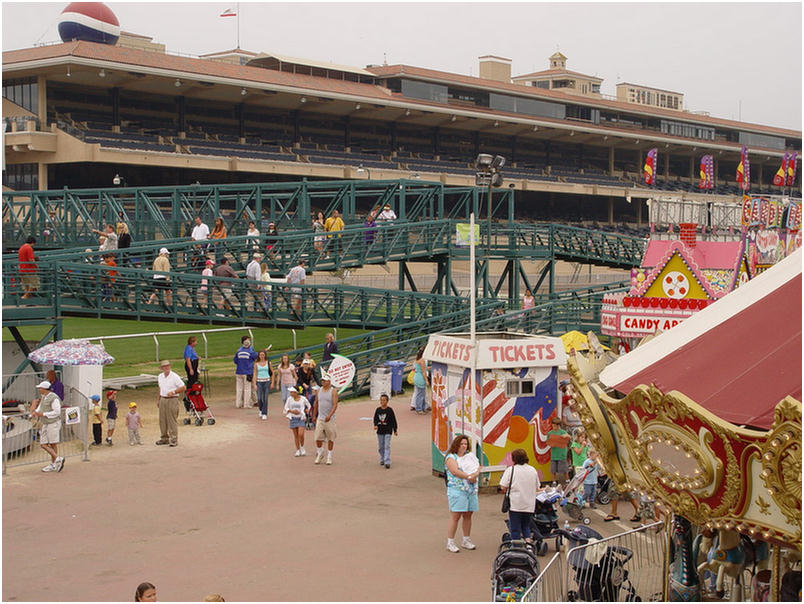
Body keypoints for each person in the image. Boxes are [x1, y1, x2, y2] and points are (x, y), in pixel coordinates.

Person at [444, 434, 479, 552]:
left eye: (466, 444)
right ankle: (450, 542)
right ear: (456, 445)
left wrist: (475, 474)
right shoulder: (451, 457)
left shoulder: (469, 456)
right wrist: (469, 476)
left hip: (470, 490)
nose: (464, 446)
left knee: (468, 515)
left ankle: (466, 540)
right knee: (456, 516)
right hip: (457, 490)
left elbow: (477, 467)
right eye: (462, 444)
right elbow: (454, 471)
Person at [500, 448, 542, 542]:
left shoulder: (511, 470)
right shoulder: (532, 470)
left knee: (515, 528)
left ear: (514, 459)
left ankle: (517, 546)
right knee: (526, 525)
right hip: (529, 504)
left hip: (516, 504)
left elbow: (503, 486)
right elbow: (537, 487)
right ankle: (528, 544)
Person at [31, 380, 64, 472]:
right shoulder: (44, 397)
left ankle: (54, 463)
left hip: (53, 423)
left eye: (40, 388)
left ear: (45, 389)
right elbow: (40, 407)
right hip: (45, 422)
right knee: (43, 444)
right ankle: (57, 459)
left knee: (53, 443)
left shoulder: (54, 398)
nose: (39, 390)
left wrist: (43, 414)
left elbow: (57, 412)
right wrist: (36, 413)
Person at [155, 359, 185, 447]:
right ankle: (164, 438)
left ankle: (174, 439)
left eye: (167, 366)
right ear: (162, 368)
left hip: (172, 399)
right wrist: (158, 399)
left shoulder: (174, 376)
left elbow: (183, 387)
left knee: (171, 419)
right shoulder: (160, 376)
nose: (166, 368)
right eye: (164, 367)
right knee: (162, 420)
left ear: (170, 367)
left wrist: (174, 392)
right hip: (163, 398)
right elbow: (160, 388)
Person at [312, 374, 338, 465]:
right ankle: (320, 452)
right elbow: (316, 403)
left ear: (329, 382)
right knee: (318, 437)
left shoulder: (333, 391)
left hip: (330, 419)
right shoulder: (319, 391)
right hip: (320, 418)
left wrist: (330, 415)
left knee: (331, 438)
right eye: (322, 380)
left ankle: (329, 456)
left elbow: (335, 405)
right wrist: (314, 415)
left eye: (325, 380)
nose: (322, 382)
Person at [284, 386, 311, 457]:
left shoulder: (303, 399)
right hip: (293, 418)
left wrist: (307, 410)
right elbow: (285, 408)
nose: (291, 393)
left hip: (301, 418)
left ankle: (302, 447)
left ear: (296, 392)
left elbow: (309, 405)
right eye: (290, 392)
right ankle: (297, 450)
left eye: (292, 392)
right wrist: (291, 411)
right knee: (296, 435)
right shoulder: (289, 399)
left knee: (301, 434)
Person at [373, 393, 398, 469]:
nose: (382, 402)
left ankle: (387, 461)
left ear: (387, 401)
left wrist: (395, 430)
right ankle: (382, 458)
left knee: (387, 445)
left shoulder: (390, 410)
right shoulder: (378, 410)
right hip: (380, 431)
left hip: (388, 430)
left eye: (384, 400)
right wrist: (375, 425)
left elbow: (394, 420)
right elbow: (375, 419)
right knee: (381, 446)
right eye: (381, 400)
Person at [233, 336, 257, 409]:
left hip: (239, 371)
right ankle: (246, 404)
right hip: (247, 372)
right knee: (247, 389)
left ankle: (238, 404)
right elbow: (255, 356)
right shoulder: (250, 351)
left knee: (239, 389)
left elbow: (235, 360)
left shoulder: (239, 351)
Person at [546, 416, 569, 484]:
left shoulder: (563, 432)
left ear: (559, 425)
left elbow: (569, 438)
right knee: (553, 470)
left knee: (564, 470)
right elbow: (548, 442)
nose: (554, 427)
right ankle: (554, 482)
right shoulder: (550, 433)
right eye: (553, 425)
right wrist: (550, 443)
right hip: (554, 454)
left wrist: (566, 436)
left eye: (556, 426)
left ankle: (567, 481)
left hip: (561, 454)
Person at [253, 349, 273, 420]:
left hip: (266, 381)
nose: (262, 356)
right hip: (259, 381)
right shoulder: (256, 364)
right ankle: (261, 409)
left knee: (265, 397)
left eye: (263, 355)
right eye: (260, 355)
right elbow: (255, 373)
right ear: (259, 355)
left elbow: (272, 373)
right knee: (259, 397)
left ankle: (264, 413)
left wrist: (272, 382)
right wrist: (254, 383)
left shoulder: (268, 363)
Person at [412, 346, 430, 414]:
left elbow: (423, 368)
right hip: (420, 378)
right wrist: (426, 380)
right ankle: (419, 408)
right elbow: (423, 371)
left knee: (421, 393)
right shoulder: (422, 361)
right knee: (421, 394)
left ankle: (422, 407)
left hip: (417, 376)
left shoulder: (418, 360)